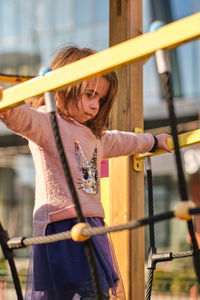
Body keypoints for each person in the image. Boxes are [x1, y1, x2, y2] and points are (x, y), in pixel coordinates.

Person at [0, 46, 171, 300]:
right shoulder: (49, 124)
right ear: (64, 89)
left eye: (100, 99)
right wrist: (7, 106)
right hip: (61, 226)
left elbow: (123, 141)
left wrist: (153, 142)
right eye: (89, 94)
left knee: (97, 292)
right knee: (72, 293)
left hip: (91, 225)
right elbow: (24, 119)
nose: (94, 105)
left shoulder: (94, 136)